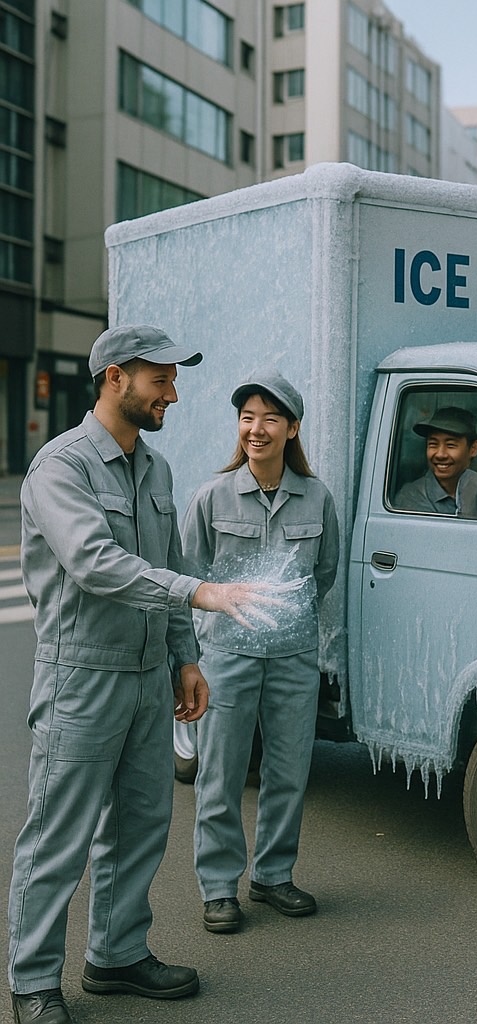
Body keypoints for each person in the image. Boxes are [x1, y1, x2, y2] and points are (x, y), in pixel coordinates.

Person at [8, 325, 284, 1024]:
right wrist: (199, 596)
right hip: (80, 675)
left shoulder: (154, 469)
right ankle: (33, 981)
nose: (173, 392)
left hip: (144, 677)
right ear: (114, 379)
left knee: (140, 826)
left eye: (173, 379)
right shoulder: (59, 467)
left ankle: (116, 954)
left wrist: (184, 658)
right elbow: (97, 563)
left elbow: (166, 561)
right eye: (160, 379)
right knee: (58, 836)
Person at [181, 371, 339, 936]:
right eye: (248, 418)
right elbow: (190, 578)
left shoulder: (318, 498)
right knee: (219, 773)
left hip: (294, 657)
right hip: (227, 656)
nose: (257, 428)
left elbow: (324, 574)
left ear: (291, 428)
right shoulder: (212, 496)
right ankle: (220, 888)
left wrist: (285, 621)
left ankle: (273, 875)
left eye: (270, 418)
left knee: (288, 772)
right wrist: (192, 656)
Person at [394, 406, 477, 519]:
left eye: (451, 445)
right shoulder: (411, 497)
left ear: (473, 449)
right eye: (433, 444)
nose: (440, 454)